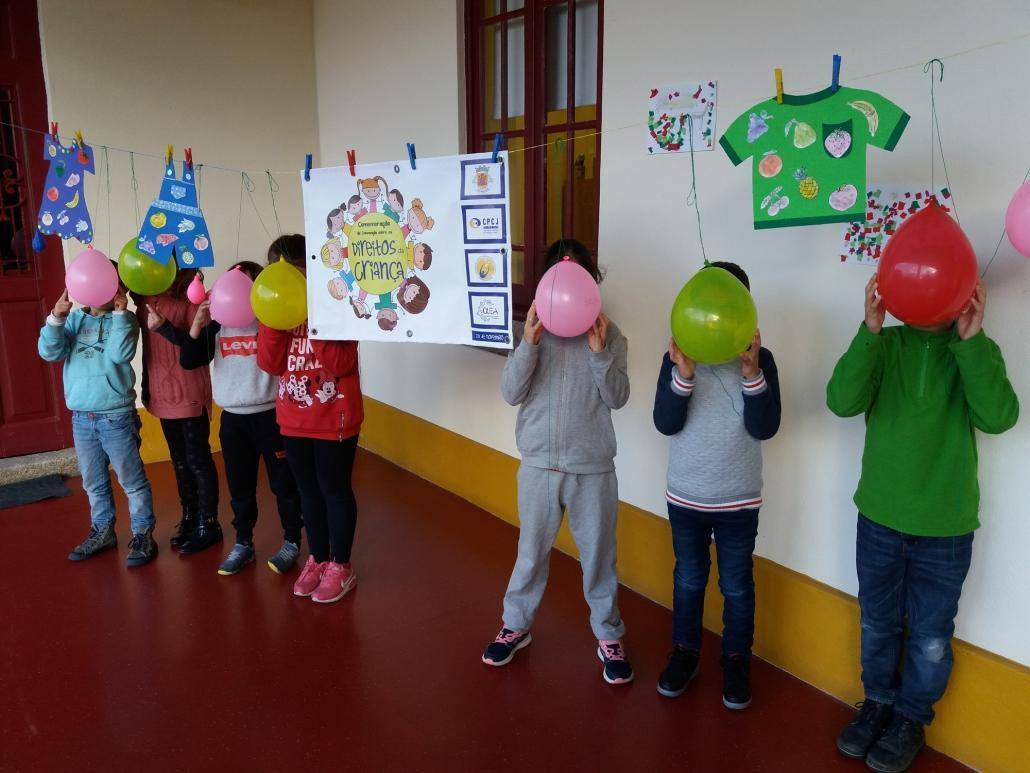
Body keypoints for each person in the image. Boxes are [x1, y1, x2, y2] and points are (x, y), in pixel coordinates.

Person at [828, 277, 1018, 773]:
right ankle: (878, 703)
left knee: (932, 636)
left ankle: (911, 718)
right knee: (877, 622)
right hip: (879, 518)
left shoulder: (976, 350)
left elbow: (999, 417)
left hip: (946, 527)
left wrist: (971, 342)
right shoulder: (885, 345)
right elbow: (841, 401)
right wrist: (870, 330)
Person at [481, 238, 633, 685]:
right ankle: (516, 626)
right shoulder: (533, 331)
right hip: (539, 465)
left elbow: (618, 397)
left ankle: (608, 635)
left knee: (599, 559)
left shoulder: (611, 335)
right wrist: (528, 344)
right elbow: (510, 392)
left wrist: (599, 353)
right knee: (530, 555)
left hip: (593, 467)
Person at [652, 262, 781, 710]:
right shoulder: (677, 356)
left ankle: (736, 659)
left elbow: (765, 427)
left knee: (737, 585)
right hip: (685, 496)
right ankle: (684, 653)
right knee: (689, 579)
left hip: (739, 500)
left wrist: (751, 374)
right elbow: (665, 422)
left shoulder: (761, 360)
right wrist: (684, 374)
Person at [168, 261, 304, 576]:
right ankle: (243, 542)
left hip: (271, 417)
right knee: (240, 487)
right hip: (233, 421)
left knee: (283, 484)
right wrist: (198, 322)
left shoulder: (269, 320)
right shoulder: (219, 324)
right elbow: (189, 360)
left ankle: (292, 540)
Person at [257, 234, 364, 604]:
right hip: (293, 418)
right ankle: (318, 559)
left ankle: (341, 565)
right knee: (307, 491)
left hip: (335, 418)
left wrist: (314, 321)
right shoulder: (275, 312)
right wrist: (274, 324)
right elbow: (270, 364)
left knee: (334, 490)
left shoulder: (338, 304)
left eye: (297, 272)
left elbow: (342, 364)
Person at [38, 281, 157, 566]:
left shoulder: (126, 320)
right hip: (82, 417)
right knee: (93, 482)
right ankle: (103, 531)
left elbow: (120, 355)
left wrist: (119, 314)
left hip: (116, 416)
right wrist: (56, 318)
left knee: (131, 481)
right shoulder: (73, 320)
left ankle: (143, 534)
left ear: (121, 290)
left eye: (113, 287)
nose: (104, 293)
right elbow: (50, 352)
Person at [135, 266, 221, 555]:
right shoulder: (145, 294)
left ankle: (208, 523)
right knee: (179, 462)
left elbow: (199, 353)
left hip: (189, 391)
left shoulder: (192, 296)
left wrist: (165, 328)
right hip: (161, 392)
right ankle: (190, 516)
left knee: (197, 460)